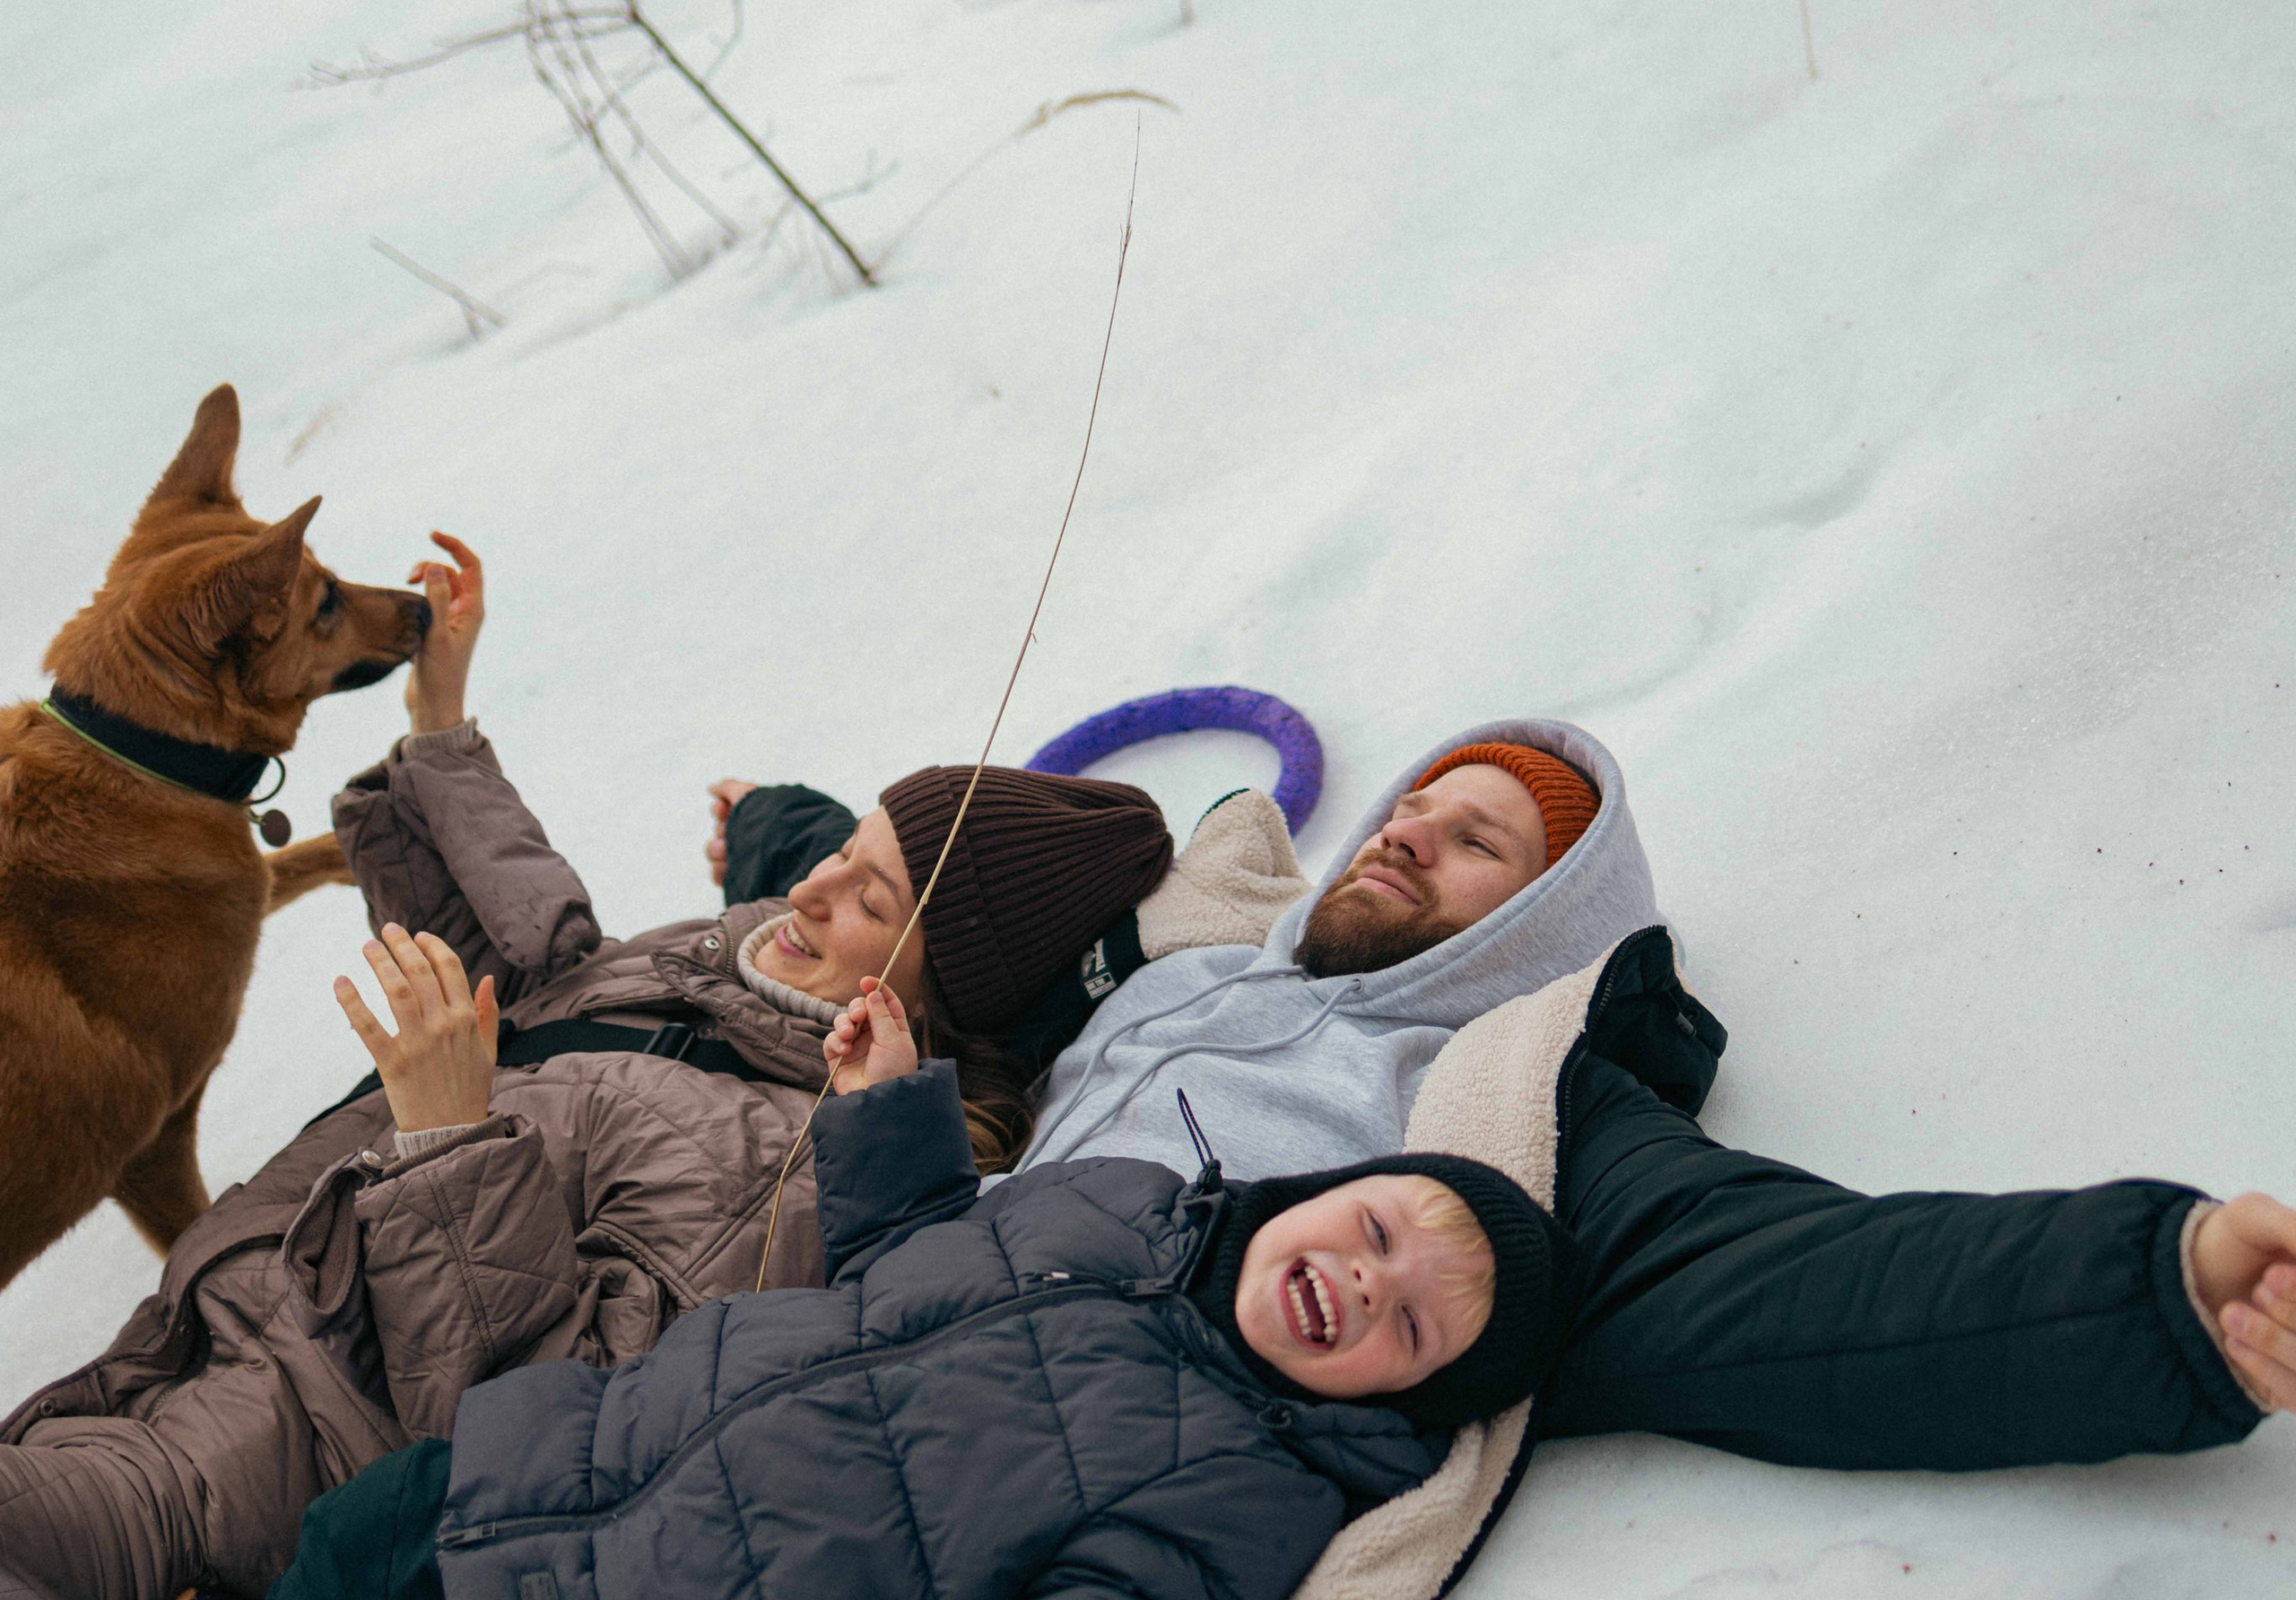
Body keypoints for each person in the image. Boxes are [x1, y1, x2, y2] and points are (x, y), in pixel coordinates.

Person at [0, 539, 1176, 1600]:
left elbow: (550, 1421)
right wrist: (441, 730)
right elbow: (546, 975)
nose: (811, 887)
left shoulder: (793, 1162)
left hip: (267, 1461)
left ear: (933, 997)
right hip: (192, 1333)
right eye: (843, 850)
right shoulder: (729, 963)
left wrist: (447, 1143)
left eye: (869, 899)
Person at [712, 726, 2296, 1481]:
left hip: (1004, 1448)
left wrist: (2153, 1294)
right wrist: (776, 833)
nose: (1403, 834)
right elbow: (966, 882)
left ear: (1538, 927)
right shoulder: (1199, 952)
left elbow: (1774, 1283)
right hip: (818, 1330)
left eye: (1477, 844)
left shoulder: (1496, 1100)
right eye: (1412, 806)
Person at [265, 977, 1579, 1600]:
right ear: (1328, 1189)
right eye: (1374, 1228)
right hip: (523, 1467)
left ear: (1410, 1398)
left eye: (1412, 1324)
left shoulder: (1255, 1488)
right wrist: (888, 1107)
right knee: (328, 1555)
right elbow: (917, 1251)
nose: (1362, 1281)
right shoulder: (1127, 1198)